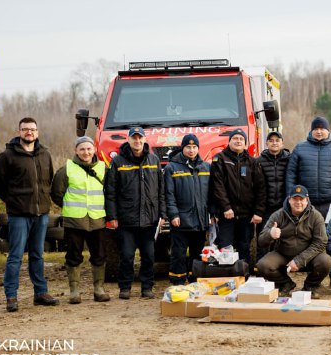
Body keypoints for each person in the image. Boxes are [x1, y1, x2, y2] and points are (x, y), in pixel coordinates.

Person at [0, 117, 59, 312]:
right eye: (25, 129)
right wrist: (14, 201)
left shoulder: (45, 154)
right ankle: (11, 296)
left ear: (37, 132)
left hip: (41, 215)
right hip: (19, 214)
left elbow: (49, 180)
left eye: (32, 129)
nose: (29, 132)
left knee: (37, 255)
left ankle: (40, 293)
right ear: (19, 131)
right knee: (15, 256)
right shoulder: (7, 156)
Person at [104, 127, 166, 300]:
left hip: (150, 219)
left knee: (149, 256)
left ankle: (147, 287)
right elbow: (110, 192)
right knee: (127, 256)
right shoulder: (118, 162)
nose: (137, 142)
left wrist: (163, 214)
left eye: (140, 138)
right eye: (134, 138)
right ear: (128, 140)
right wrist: (112, 216)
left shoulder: (154, 160)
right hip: (126, 220)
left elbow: (161, 190)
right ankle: (125, 288)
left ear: (145, 140)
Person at [51, 136, 111, 304]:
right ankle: (74, 291)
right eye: (82, 149)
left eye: (89, 149)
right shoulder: (66, 170)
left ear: (94, 150)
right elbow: (57, 193)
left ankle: (99, 289)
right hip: (74, 221)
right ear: (76, 151)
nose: (86, 152)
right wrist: (70, 207)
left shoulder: (103, 169)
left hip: (97, 219)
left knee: (99, 255)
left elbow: (110, 193)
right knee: (73, 255)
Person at [257, 185, 331, 296]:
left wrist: (299, 260)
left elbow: (321, 243)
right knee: (263, 265)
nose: (298, 202)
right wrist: (270, 234)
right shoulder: (278, 215)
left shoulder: (316, 216)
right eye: (295, 199)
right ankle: (285, 284)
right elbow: (261, 241)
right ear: (289, 200)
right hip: (283, 254)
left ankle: (310, 286)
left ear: (307, 201)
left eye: (301, 199)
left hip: (308, 257)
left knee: (326, 261)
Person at [210, 128, 266, 266]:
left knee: (244, 247)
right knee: (225, 247)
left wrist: (258, 212)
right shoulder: (220, 159)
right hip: (226, 214)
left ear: (245, 144)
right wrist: (226, 207)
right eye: (235, 138)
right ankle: (226, 277)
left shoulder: (253, 162)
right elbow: (218, 186)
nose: (238, 141)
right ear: (229, 142)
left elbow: (261, 188)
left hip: (246, 215)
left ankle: (244, 275)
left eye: (241, 139)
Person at [164, 134, 211, 285]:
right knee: (178, 253)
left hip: (200, 220)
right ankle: (177, 282)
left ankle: (195, 281)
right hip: (181, 220)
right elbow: (169, 194)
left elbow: (211, 193)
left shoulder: (205, 167)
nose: (191, 150)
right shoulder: (172, 167)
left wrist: (212, 213)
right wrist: (173, 214)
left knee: (197, 254)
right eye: (188, 147)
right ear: (182, 148)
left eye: (194, 147)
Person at [286, 116, 331, 218]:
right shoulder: (299, 148)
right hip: (305, 203)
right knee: (307, 233)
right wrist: (290, 198)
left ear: (328, 131)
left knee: (330, 233)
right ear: (311, 131)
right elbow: (290, 175)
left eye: (322, 129)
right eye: (316, 129)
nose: (319, 132)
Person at [256, 131, 291, 242]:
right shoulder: (258, 161)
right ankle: (261, 259)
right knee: (264, 237)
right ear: (266, 143)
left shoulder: (290, 160)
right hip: (265, 208)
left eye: (277, 140)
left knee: (284, 238)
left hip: (284, 207)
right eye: (271, 141)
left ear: (282, 143)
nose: (274, 143)